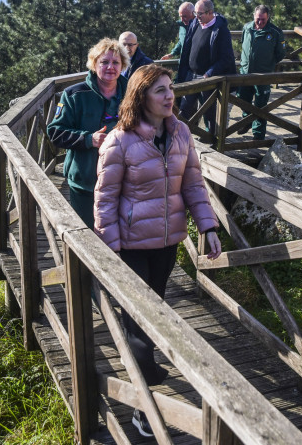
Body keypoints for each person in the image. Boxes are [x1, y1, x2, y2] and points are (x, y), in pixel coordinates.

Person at [94, 64, 221, 438]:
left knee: (152, 315)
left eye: (171, 89)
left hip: (167, 244)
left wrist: (209, 226)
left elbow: (194, 184)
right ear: (141, 97)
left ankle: (144, 384)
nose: (170, 96)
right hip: (132, 246)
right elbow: (104, 200)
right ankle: (144, 405)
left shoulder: (181, 133)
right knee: (139, 323)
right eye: (160, 90)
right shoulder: (120, 140)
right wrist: (112, 251)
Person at [47, 37, 130, 228]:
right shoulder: (74, 94)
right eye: (104, 62)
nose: (111, 67)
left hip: (124, 181)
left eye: (116, 62)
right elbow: (55, 132)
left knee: (121, 237)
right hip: (85, 182)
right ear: (94, 64)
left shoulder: (132, 93)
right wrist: (88, 139)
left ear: (123, 65)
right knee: (87, 236)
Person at [178, 0, 236, 134]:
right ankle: (180, 137)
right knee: (184, 108)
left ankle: (212, 142)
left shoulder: (221, 30)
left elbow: (226, 58)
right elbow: (187, 47)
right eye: (195, 13)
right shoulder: (195, 24)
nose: (196, 16)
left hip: (207, 78)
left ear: (210, 12)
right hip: (191, 74)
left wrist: (209, 73)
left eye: (200, 14)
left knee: (210, 112)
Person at [238, 4, 286, 140]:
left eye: (263, 20)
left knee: (260, 105)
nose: (260, 22)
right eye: (258, 19)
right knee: (242, 98)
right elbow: (243, 44)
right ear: (254, 16)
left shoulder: (275, 32)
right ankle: (246, 121)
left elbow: (281, 53)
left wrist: (268, 64)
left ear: (268, 18)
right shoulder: (247, 28)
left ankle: (258, 135)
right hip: (245, 72)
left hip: (264, 74)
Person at [161, 2, 197, 80]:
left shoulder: (199, 26)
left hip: (194, 66)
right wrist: (172, 54)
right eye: (181, 16)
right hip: (183, 63)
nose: (182, 19)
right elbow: (181, 41)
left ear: (193, 14)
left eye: (185, 16)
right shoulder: (182, 26)